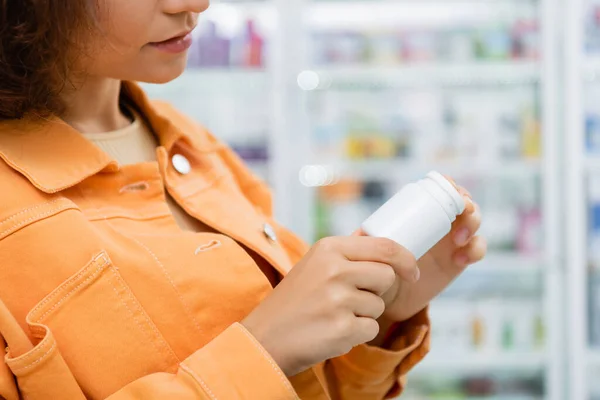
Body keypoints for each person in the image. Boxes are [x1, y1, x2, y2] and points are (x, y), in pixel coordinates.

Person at [0, 1, 486, 399]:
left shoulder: (191, 142)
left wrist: (376, 318)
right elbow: (270, 357)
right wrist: (262, 354)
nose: (194, 4)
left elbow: (312, 387)